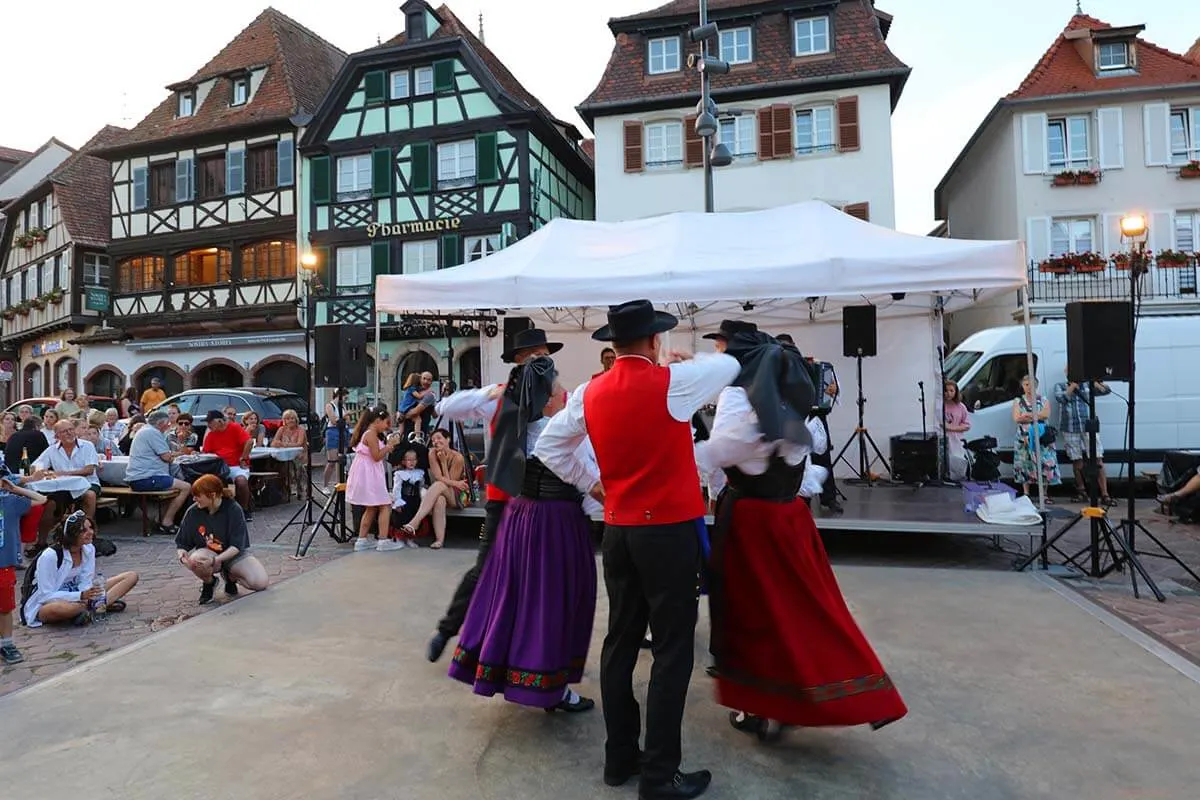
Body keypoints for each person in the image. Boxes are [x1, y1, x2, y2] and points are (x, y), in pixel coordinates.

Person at [536, 299, 738, 799]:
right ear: (654, 341)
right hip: (667, 532)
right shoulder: (673, 383)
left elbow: (548, 448)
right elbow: (731, 362)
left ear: (613, 343)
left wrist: (594, 485)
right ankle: (659, 773)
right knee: (671, 652)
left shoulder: (589, 392)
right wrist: (684, 359)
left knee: (620, 643)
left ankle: (619, 757)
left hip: (619, 530)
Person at [696, 330, 907, 742]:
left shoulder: (740, 405)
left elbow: (713, 456)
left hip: (752, 523)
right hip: (790, 518)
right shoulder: (797, 410)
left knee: (752, 613)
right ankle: (795, 698)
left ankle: (758, 705)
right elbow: (813, 464)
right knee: (801, 609)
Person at [448, 356, 599, 713]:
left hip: (520, 517)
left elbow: (449, 406)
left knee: (519, 599)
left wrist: (495, 390)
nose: (565, 392)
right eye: (559, 387)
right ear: (548, 397)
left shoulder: (516, 422)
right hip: (556, 522)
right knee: (555, 603)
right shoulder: (561, 431)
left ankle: (518, 674)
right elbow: (593, 482)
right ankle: (552, 687)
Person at [424, 327, 561, 662]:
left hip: (543, 503)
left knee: (538, 579)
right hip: (501, 505)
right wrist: (491, 394)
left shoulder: (558, 397)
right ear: (517, 361)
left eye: (544, 356)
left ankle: (535, 653)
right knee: (485, 567)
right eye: (533, 357)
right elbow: (448, 406)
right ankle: (448, 630)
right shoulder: (501, 397)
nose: (540, 363)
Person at [23, 511, 139, 627]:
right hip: (51, 602)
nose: (91, 533)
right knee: (59, 608)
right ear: (72, 534)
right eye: (84, 531)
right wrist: (80, 596)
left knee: (131, 576)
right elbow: (45, 596)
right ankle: (99, 606)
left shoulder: (88, 548)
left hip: (81, 595)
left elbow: (86, 581)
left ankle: (90, 609)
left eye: (91, 528)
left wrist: (88, 594)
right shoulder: (50, 556)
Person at [175, 474, 269, 605]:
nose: (194, 499)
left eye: (198, 495)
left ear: (212, 495)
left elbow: (236, 546)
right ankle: (209, 583)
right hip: (208, 552)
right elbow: (182, 542)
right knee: (196, 559)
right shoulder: (193, 511)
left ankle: (230, 576)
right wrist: (182, 555)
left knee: (260, 582)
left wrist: (216, 560)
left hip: (232, 554)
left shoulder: (233, 509)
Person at [1, 477, 47, 663]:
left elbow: (41, 499)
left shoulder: (10, 502)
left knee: (5, 608)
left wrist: (16, 489)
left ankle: (7, 644)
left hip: (3, 565)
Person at [397, 428, 467, 549]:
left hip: (459, 495)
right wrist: (454, 480)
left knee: (439, 485)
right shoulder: (432, 453)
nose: (436, 442)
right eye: (433, 440)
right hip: (442, 490)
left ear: (448, 439)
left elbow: (448, 483)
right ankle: (439, 540)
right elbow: (439, 477)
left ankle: (415, 522)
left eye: (439, 438)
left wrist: (444, 463)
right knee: (439, 500)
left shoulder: (458, 458)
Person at [1053, 367, 1114, 505]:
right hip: (1070, 427)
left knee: (1098, 458)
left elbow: (1107, 391)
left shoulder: (1087, 385)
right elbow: (1061, 399)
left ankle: (1105, 494)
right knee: (1077, 460)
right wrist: (1073, 385)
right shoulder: (1060, 386)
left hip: (1089, 426)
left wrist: (1095, 382)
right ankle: (1081, 491)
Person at [125, 409, 192, 534]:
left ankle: (159, 520)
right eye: (167, 423)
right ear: (161, 423)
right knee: (186, 487)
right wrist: (177, 454)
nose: (168, 425)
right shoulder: (153, 433)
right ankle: (167, 522)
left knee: (173, 487)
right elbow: (166, 457)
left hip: (141, 477)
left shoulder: (145, 430)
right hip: (146, 478)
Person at [346, 406, 403, 552]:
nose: (387, 426)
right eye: (386, 423)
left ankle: (362, 540)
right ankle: (383, 540)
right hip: (369, 473)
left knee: (371, 507)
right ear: (377, 421)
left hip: (368, 472)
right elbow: (377, 456)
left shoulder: (369, 433)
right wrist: (389, 446)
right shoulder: (370, 434)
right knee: (385, 505)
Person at [31, 419, 101, 520]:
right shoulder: (52, 450)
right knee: (49, 501)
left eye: (71, 429)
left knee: (89, 495)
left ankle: (87, 526)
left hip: (88, 483)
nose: (69, 433)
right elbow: (36, 466)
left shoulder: (87, 446)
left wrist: (61, 473)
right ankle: (57, 528)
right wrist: (41, 471)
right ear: (57, 436)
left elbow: (89, 470)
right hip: (63, 486)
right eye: (64, 431)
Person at [1012, 374, 1061, 501]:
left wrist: (1028, 415)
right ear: (1022, 386)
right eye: (1026, 385)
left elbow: (1045, 415)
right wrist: (1036, 415)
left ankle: (1044, 494)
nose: (1029, 388)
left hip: (1041, 436)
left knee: (1045, 462)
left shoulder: (1043, 400)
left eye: (1032, 385)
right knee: (1024, 463)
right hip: (1024, 437)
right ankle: (1026, 493)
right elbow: (1017, 418)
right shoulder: (1018, 401)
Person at [200, 409, 254, 519]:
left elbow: (249, 441)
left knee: (241, 481)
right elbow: (206, 453)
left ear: (219, 421)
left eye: (210, 422)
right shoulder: (210, 435)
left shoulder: (234, 428)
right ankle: (215, 510)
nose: (208, 425)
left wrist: (243, 458)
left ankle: (244, 510)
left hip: (236, 465)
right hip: (219, 466)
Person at [389, 449, 426, 547]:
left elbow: (421, 487)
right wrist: (397, 502)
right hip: (404, 499)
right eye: (409, 460)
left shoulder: (420, 473)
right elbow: (396, 488)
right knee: (401, 519)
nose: (411, 462)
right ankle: (399, 538)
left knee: (412, 518)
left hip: (415, 499)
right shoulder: (400, 474)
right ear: (404, 461)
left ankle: (410, 538)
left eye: (414, 460)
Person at [271, 409, 309, 499]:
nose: (290, 420)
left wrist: (283, 444)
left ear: (296, 419)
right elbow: (273, 443)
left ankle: (301, 490)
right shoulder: (281, 429)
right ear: (284, 420)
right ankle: (284, 489)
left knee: (296, 464)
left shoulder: (301, 429)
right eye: (288, 419)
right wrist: (277, 443)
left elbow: (299, 444)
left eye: (292, 418)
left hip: (300, 455)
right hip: (285, 456)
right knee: (278, 464)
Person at [942, 380, 971, 481]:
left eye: (951, 391)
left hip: (956, 439)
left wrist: (951, 428)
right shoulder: (940, 406)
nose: (948, 393)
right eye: (946, 391)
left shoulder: (961, 407)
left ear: (956, 392)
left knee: (956, 461)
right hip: (943, 438)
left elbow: (967, 425)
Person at [323, 389, 349, 488]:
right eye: (345, 396)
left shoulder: (343, 406)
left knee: (341, 460)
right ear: (339, 395)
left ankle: (340, 483)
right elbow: (333, 420)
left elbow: (348, 421)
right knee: (332, 461)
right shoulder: (330, 405)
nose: (346, 399)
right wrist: (345, 416)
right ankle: (325, 485)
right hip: (333, 431)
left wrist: (345, 418)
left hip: (343, 431)